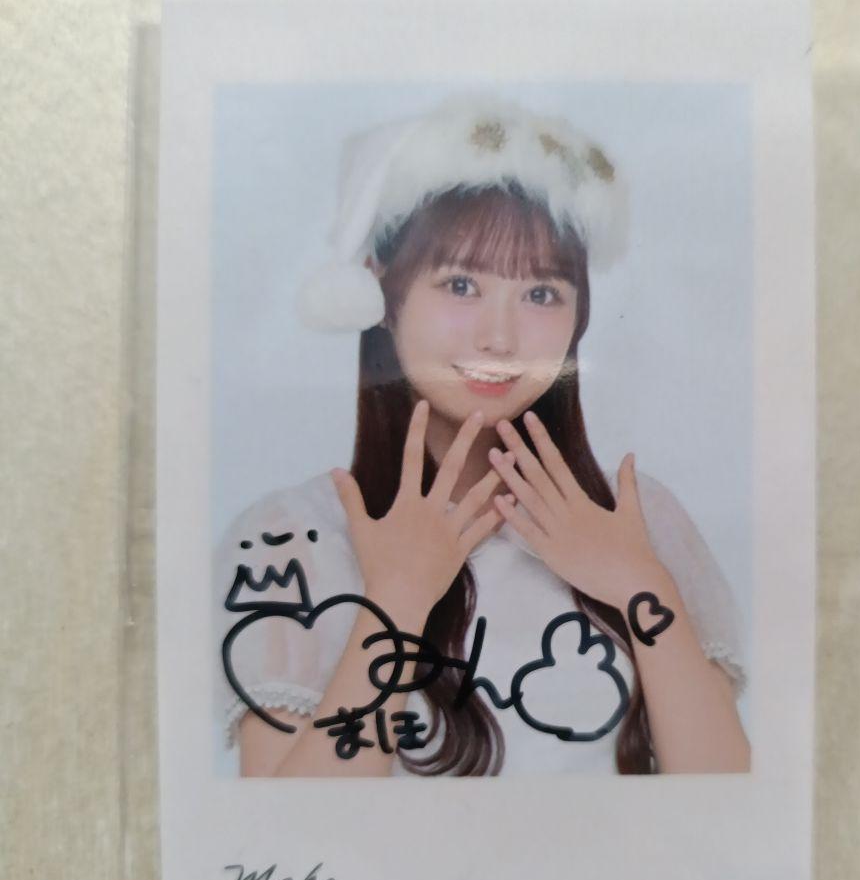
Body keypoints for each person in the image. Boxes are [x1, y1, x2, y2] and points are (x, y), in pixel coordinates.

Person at [215, 94, 750, 778]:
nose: (500, 337)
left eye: (541, 294)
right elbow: (285, 834)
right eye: (461, 284)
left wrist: (636, 580)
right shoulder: (293, 538)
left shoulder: (638, 520)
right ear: (382, 292)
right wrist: (398, 598)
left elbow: (727, 802)